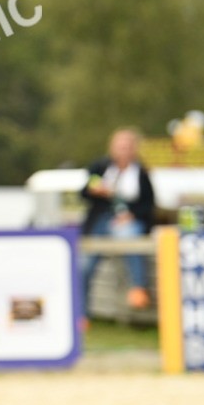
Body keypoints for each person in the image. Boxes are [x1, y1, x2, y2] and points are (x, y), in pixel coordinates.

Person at [78, 127, 155, 322]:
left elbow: (149, 204)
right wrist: (96, 191)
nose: (123, 150)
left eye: (128, 146)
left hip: (127, 220)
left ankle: (138, 289)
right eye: (120, 146)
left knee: (131, 239)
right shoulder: (100, 167)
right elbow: (84, 191)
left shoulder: (141, 172)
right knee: (86, 264)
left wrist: (132, 215)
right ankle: (81, 314)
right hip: (101, 219)